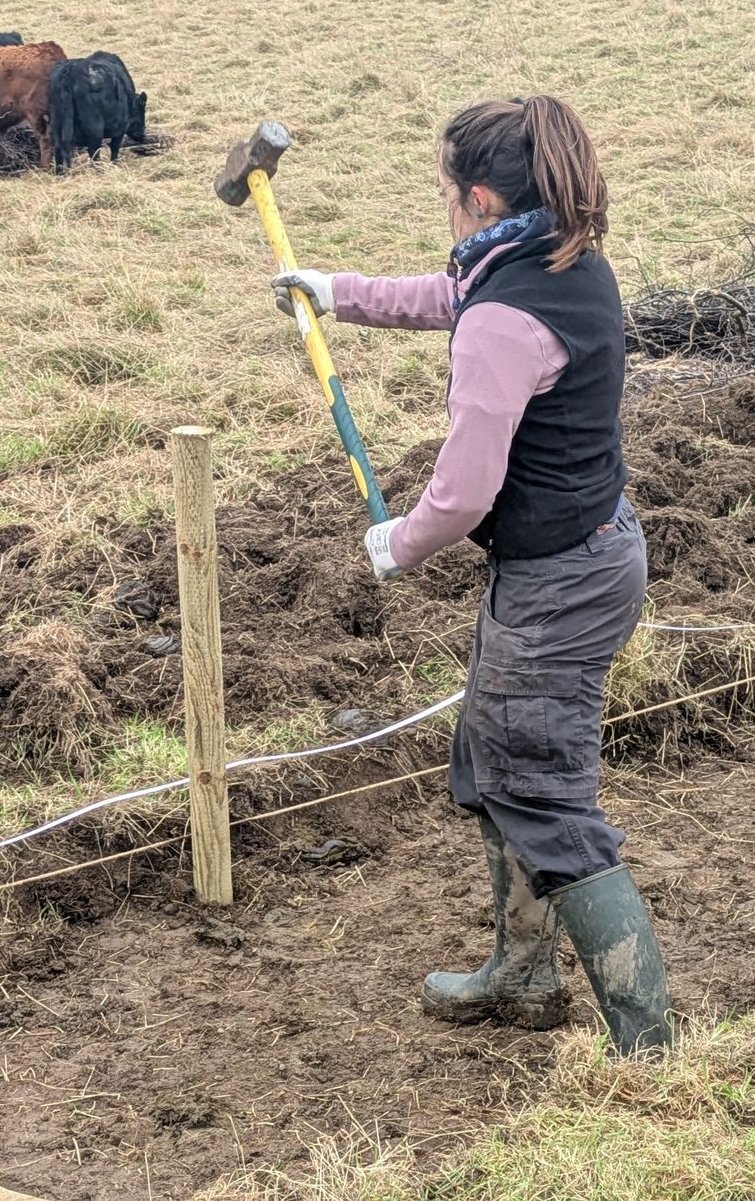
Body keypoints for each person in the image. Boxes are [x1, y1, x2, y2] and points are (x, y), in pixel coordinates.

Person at [269, 96, 672, 1055]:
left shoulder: (505, 317)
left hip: (558, 582)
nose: (444, 208)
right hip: (589, 552)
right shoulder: (560, 262)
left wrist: (399, 542)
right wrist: (338, 290)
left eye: (447, 193)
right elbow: (455, 297)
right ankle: (523, 975)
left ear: (479, 197)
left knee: (544, 796)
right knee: (496, 763)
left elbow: (462, 493)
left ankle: (651, 1055)